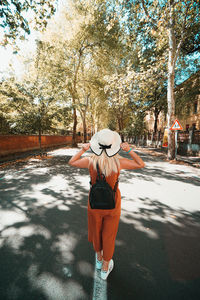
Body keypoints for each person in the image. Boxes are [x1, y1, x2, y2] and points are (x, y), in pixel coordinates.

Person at [68, 128, 145, 280]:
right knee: (109, 236)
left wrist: (83, 149)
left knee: (96, 232)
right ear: (114, 145)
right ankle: (105, 268)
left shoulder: (91, 160)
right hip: (113, 205)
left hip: (94, 205)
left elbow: (72, 162)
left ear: (97, 145)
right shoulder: (118, 162)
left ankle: (98, 259)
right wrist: (129, 150)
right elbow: (140, 164)